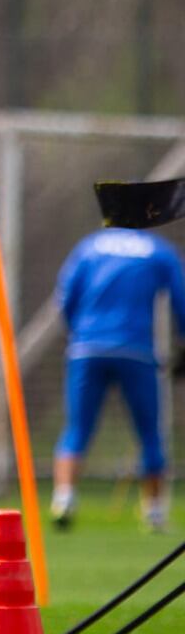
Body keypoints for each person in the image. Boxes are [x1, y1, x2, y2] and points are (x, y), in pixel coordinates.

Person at [51, 225, 184, 533]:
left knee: (77, 427)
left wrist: (78, 331)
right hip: (136, 349)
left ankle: (65, 499)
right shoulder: (158, 249)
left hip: (87, 347)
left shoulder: (89, 245)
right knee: (150, 431)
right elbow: (181, 299)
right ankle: (154, 512)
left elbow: (67, 296)